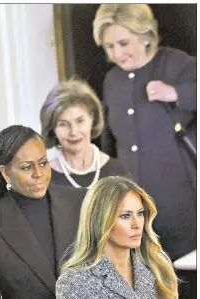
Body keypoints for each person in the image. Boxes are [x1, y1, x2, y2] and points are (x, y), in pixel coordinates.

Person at [92, 4, 196, 298]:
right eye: (109, 46)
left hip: (183, 206)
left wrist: (177, 93)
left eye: (123, 43)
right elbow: (110, 142)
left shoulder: (177, 64)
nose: (116, 53)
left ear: (146, 34)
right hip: (131, 212)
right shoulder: (111, 80)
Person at [0, 125, 87, 299]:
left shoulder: (81, 201)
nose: (38, 174)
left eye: (42, 163)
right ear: (6, 173)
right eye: (26, 167)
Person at [56, 176, 179, 299]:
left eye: (140, 213)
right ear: (100, 221)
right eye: (125, 216)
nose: (137, 224)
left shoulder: (156, 267)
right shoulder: (75, 281)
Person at [40, 78, 129, 189]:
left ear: (93, 119)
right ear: (52, 129)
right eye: (63, 124)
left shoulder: (117, 172)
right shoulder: (42, 179)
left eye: (80, 121)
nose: (74, 132)